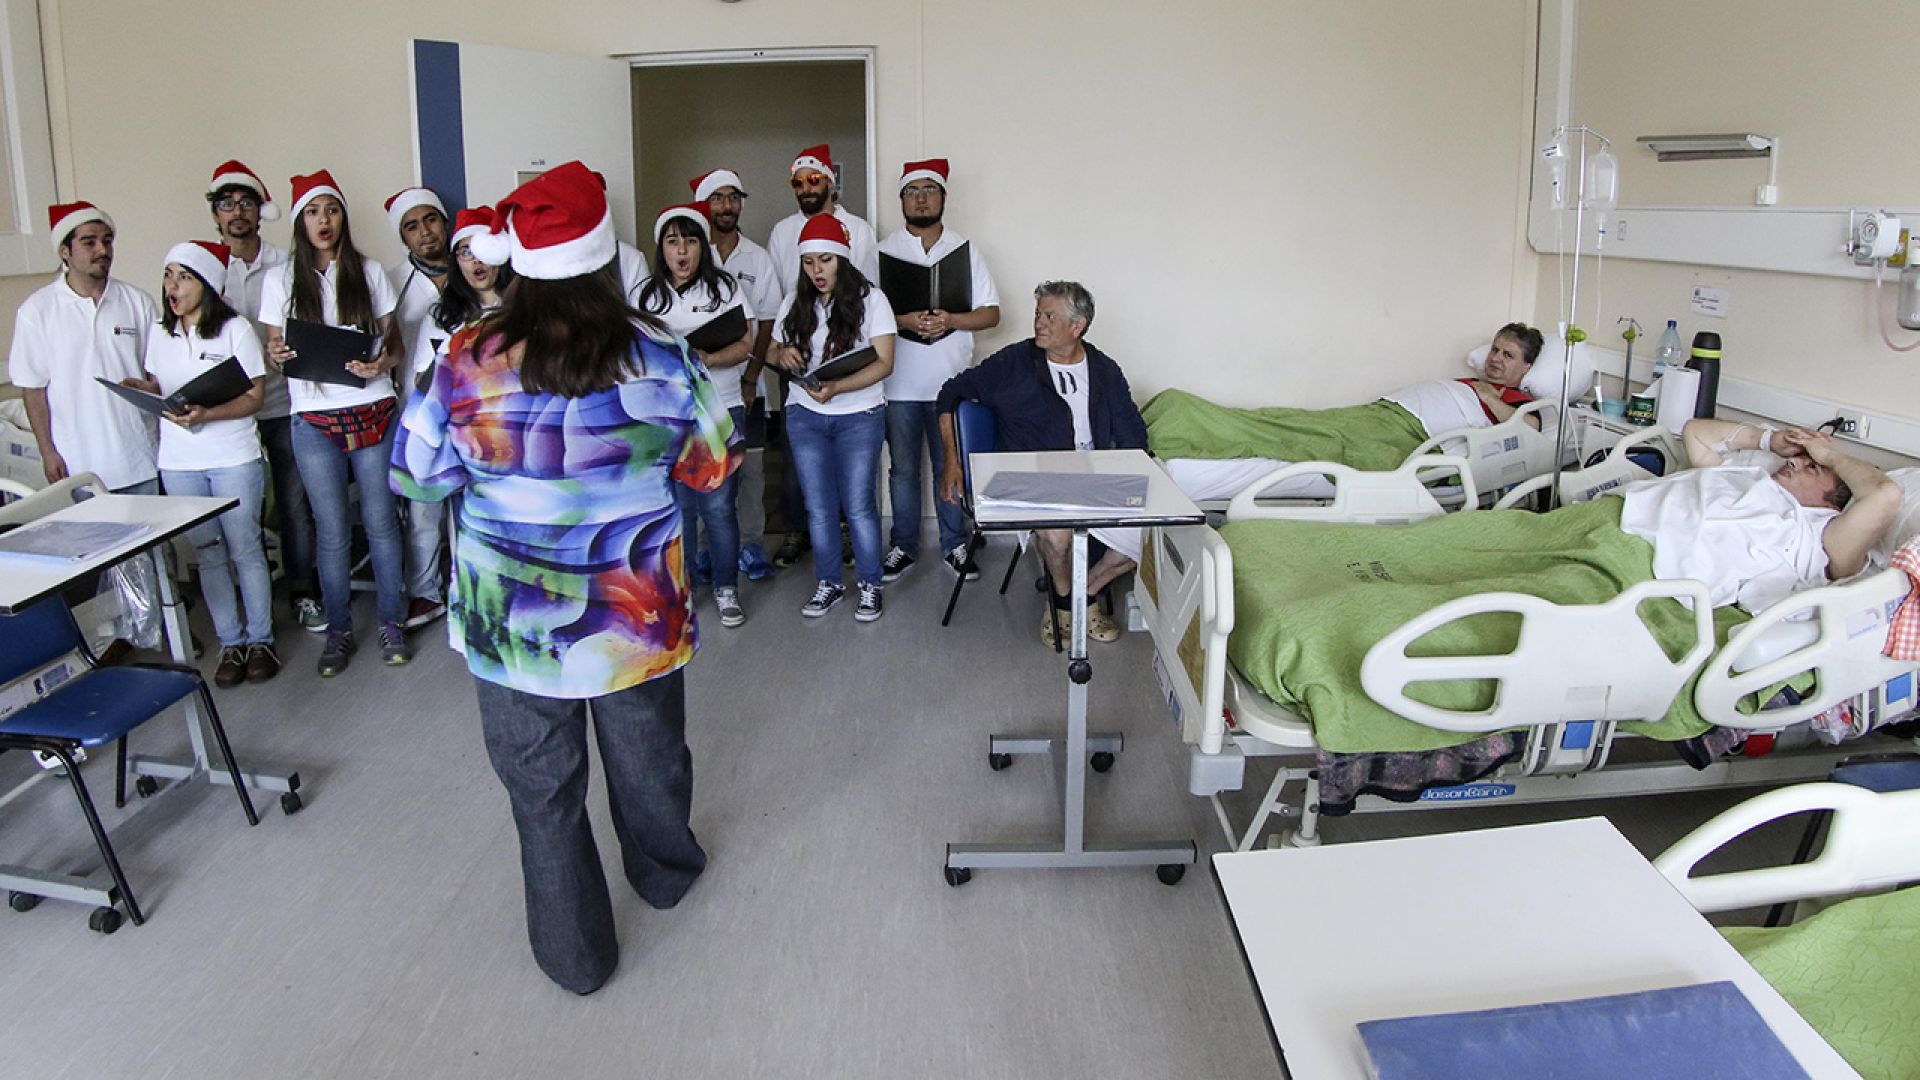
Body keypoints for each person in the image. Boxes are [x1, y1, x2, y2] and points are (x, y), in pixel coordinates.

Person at [390, 160, 737, 995]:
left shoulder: (466, 357)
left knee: (541, 792)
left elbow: (415, 475)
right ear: (605, 256)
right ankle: (664, 874)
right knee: (650, 761)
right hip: (634, 617)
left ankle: (575, 958)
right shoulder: (661, 353)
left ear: (520, 262)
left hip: (510, 623)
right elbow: (713, 465)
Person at [935, 281, 1147, 646]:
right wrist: (952, 462)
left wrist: (1136, 477)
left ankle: (1080, 596)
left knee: (1153, 532)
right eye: (1037, 314)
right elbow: (949, 395)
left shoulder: (1104, 370)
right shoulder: (1015, 362)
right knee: (1057, 533)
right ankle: (1065, 605)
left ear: (1077, 326)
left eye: (1049, 316)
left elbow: (1133, 433)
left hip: (1092, 474)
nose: (1038, 323)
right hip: (1031, 476)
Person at [257, 170, 408, 677]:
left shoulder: (369, 271)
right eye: (313, 212)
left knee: (382, 522)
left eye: (332, 210)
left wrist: (380, 363)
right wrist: (277, 353)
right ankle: (339, 630)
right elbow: (274, 349)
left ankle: (392, 622)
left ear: (343, 217)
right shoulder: (280, 278)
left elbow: (395, 345)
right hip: (313, 416)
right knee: (331, 529)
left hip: (373, 409)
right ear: (300, 222)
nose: (324, 220)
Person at [127, 241, 278, 686]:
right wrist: (142, 389)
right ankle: (231, 642)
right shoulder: (161, 332)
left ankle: (261, 640)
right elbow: (161, 384)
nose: (172, 286)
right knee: (208, 553)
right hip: (179, 461)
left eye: (184, 277)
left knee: (246, 548)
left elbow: (255, 397)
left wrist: (208, 414)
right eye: (168, 275)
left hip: (233, 457)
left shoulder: (235, 330)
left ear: (207, 285)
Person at [1618, 417, 1902, 612]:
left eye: (1812, 467)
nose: (1794, 462)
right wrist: (1769, 440)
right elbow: (1695, 432)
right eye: (1799, 458)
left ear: (1832, 504)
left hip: (1642, 559)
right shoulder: (1746, 476)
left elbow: (1885, 494)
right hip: (1619, 514)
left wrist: (1827, 455)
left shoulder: (1820, 534)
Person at [206, 160, 321, 633]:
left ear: (260, 211)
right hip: (229, 412)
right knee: (240, 510)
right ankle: (251, 602)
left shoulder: (286, 264)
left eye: (246, 203)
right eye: (226, 204)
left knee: (294, 504)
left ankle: (302, 591)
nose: (237, 212)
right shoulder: (207, 268)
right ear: (215, 213)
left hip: (283, 403)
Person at [875, 159, 999, 583]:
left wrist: (951, 320)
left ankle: (954, 543)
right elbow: (862, 314)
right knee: (902, 470)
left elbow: (992, 313)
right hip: (898, 383)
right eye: (912, 191)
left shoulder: (964, 250)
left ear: (944, 197)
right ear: (901, 199)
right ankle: (903, 545)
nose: (921, 198)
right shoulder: (883, 252)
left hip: (951, 382)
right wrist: (904, 321)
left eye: (929, 190)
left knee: (951, 464)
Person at [767, 214, 896, 622]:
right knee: (819, 508)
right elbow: (771, 350)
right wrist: (782, 354)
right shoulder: (795, 300)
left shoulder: (872, 299)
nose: (817, 271)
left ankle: (870, 584)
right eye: (808, 262)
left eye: (825, 260)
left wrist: (839, 387)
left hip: (859, 415)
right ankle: (830, 582)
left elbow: (885, 362)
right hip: (805, 414)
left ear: (843, 259)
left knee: (858, 506)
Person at [633, 202, 755, 628]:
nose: (682, 251)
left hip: (720, 407)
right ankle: (680, 594)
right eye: (672, 242)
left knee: (719, 506)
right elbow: (633, 356)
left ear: (703, 246)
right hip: (668, 415)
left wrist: (707, 357)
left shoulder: (725, 289)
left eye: (689, 241)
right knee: (677, 508)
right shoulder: (645, 296)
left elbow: (745, 344)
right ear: (661, 249)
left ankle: (726, 588)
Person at [765, 145, 879, 571]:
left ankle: (847, 531)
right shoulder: (782, 232)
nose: (806, 188)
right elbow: (783, 293)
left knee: (849, 459)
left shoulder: (860, 229)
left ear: (831, 182)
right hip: (798, 350)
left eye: (814, 179)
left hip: (847, 357)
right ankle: (799, 529)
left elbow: (867, 290)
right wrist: (786, 348)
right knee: (797, 455)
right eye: (798, 182)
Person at [11, 201, 159, 494]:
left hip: (140, 460)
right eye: (89, 242)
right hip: (78, 467)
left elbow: (156, 373)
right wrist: (48, 452)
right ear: (64, 252)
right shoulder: (37, 311)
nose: (102, 250)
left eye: (107, 241)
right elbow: (33, 389)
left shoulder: (137, 302)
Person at [692, 167, 781, 581]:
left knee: (750, 471)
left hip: (748, 385)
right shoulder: (692, 254)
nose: (726, 206)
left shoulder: (758, 257)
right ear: (704, 205)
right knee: (703, 471)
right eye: (718, 198)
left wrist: (750, 378)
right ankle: (705, 551)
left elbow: (767, 322)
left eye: (733, 198)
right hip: (698, 391)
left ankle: (751, 547)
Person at [385, 186, 454, 631]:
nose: (424, 232)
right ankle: (426, 590)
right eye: (412, 226)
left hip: (471, 409)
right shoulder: (392, 282)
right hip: (416, 409)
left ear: (445, 223)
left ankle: (470, 584)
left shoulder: (474, 269)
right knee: (423, 504)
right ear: (403, 237)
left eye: (430, 220)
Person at [407, 205, 513, 380]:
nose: (476, 260)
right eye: (466, 252)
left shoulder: (527, 306)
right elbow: (422, 381)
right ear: (456, 261)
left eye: (484, 250)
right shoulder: (440, 316)